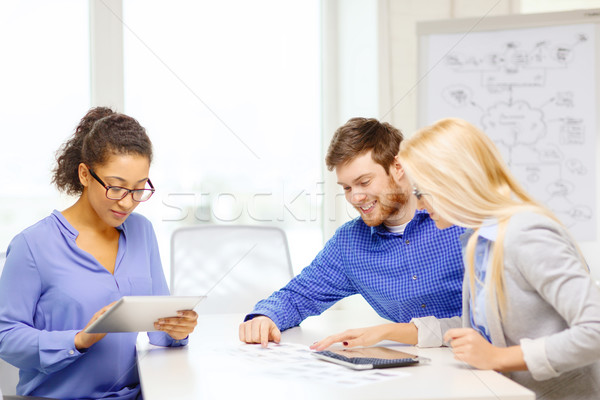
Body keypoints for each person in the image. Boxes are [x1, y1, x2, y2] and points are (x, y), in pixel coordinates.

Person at [317, 117, 600, 399]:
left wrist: (497, 358)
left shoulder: (524, 234)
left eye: (422, 192)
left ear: (453, 183)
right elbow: (476, 332)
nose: (421, 205)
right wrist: (388, 332)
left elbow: (595, 330)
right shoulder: (479, 241)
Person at [0, 107, 198, 399]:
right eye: (117, 188)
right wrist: (79, 339)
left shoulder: (142, 231)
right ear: (85, 174)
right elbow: (6, 337)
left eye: (139, 189)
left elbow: (160, 332)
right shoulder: (32, 245)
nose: (128, 203)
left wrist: (177, 329)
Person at [239, 117, 465, 347]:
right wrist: (264, 317)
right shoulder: (350, 244)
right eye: (347, 187)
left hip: (479, 364)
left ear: (397, 168)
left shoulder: (458, 219)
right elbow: (299, 295)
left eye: (364, 182)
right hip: (415, 365)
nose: (355, 197)